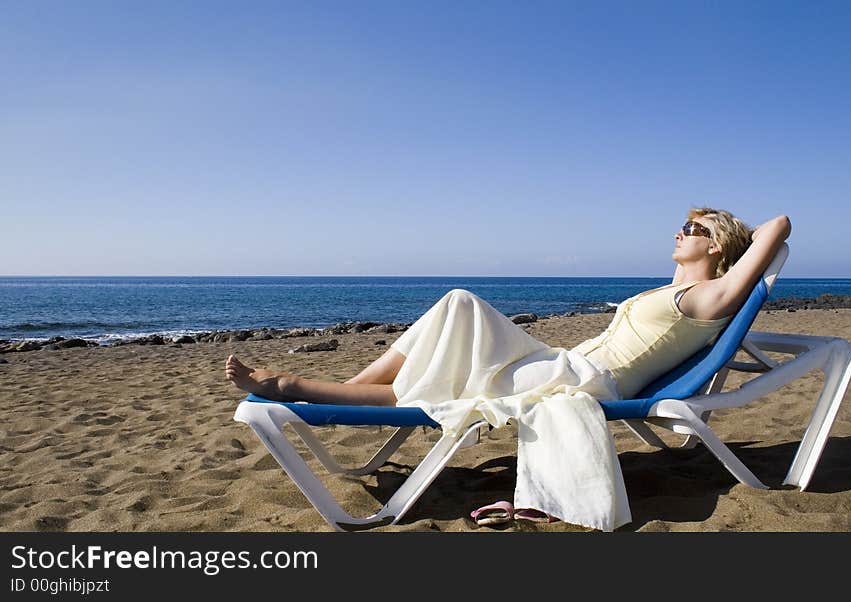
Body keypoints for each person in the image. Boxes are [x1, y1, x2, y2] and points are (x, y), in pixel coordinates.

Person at [225, 208, 791, 530]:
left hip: (586, 381)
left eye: (693, 228)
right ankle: (333, 390)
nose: (679, 231)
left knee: (459, 319)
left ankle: (305, 387)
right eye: (683, 223)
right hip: (563, 364)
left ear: (718, 248)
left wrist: (738, 251)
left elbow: (778, 225)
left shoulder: (712, 296)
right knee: (457, 310)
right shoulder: (678, 289)